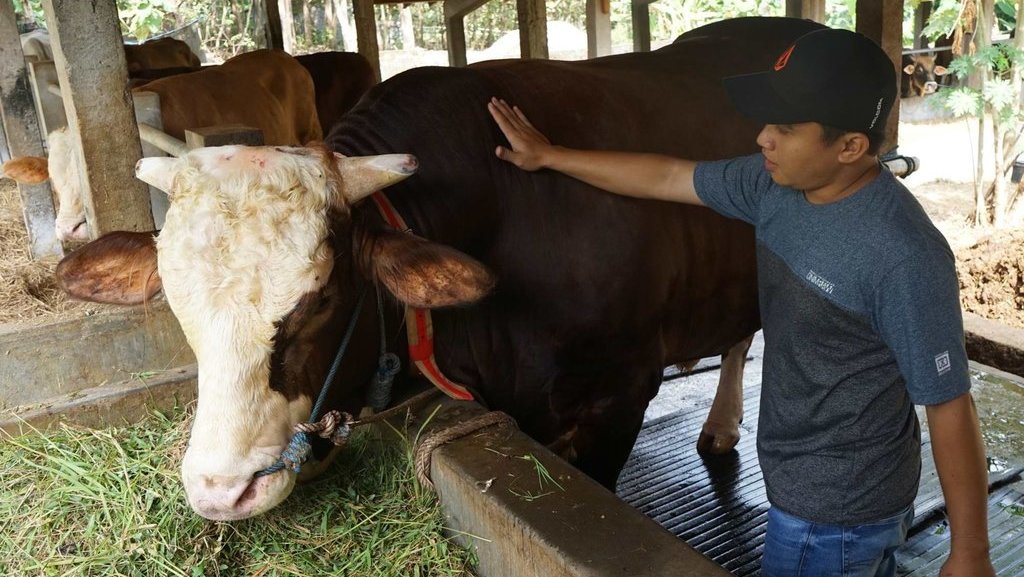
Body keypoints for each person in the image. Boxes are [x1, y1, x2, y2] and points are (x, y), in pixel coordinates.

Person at [487, 27, 994, 577]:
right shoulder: (774, 186)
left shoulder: (903, 256)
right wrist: (551, 156)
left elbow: (949, 405)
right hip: (800, 482)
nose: (761, 139)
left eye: (783, 127)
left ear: (850, 147)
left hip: (835, 515)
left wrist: (970, 554)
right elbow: (667, 175)